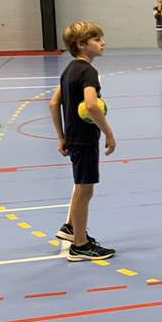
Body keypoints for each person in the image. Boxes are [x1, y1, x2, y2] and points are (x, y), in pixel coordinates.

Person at [48, 21, 117, 262]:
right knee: (84, 190)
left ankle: (71, 229)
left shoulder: (69, 70)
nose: (103, 43)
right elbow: (90, 104)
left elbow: (53, 103)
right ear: (81, 44)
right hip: (86, 139)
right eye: (97, 39)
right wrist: (108, 132)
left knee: (80, 187)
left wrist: (61, 135)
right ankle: (80, 245)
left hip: (73, 138)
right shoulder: (88, 71)